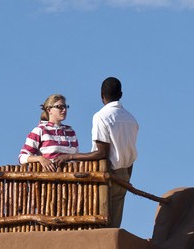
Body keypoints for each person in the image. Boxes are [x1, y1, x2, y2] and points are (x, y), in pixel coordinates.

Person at [54, 77, 139, 228]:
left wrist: (70, 156)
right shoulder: (131, 119)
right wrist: (127, 181)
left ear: (101, 95)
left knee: (100, 227)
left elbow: (102, 153)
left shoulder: (101, 116)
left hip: (107, 176)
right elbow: (129, 153)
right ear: (121, 94)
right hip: (125, 175)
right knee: (114, 227)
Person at [18, 94, 79, 172]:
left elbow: (77, 158)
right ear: (49, 110)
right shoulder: (40, 130)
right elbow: (22, 157)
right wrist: (40, 159)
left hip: (70, 181)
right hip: (48, 180)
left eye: (65, 106)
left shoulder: (71, 132)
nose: (64, 110)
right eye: (60, 107)